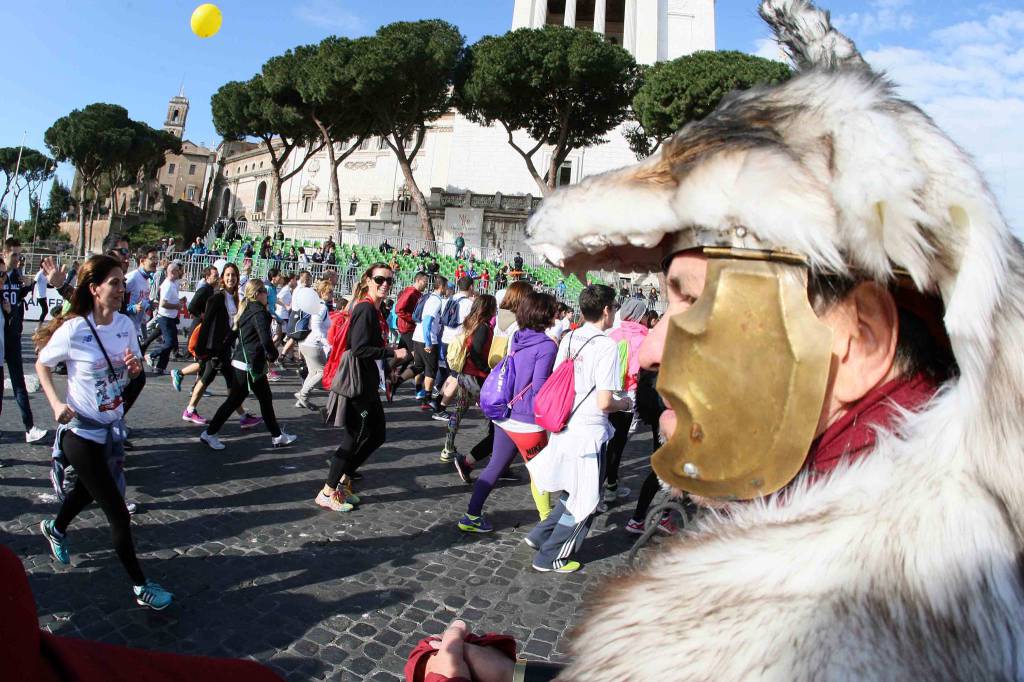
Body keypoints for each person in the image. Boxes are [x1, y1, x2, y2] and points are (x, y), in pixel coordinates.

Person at [33, 255, 174, 610]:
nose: (121, 288)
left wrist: (135, 367)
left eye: (122, 282)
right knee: (118, 513)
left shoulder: (126, 325)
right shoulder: (74, 329)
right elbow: (42, 364)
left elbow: (134, 372)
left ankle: (56, 528)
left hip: (110, 428)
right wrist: (54, 405)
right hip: (79, 432)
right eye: (114, 282)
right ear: (94, 289)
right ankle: (141, 586)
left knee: (84, 492)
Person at [517, 285, 625, 573]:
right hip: (589, 433)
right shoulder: (606, 346)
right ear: (606, 310)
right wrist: (625, 402)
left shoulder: (570, 336)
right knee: (586, 499)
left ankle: (540, 535)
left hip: (564, 425)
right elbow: (605, 401)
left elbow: (558, 378)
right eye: (614, 308)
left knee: (573, 489)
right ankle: (551, 555)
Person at [456, 291, 558, 533]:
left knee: (495, 466)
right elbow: (541, 386)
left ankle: (471, 515)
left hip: (506, 414)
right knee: (540, 472)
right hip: (527, 420)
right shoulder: (546, 345)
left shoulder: (519, 336)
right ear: (545, 314)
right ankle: (547, 525)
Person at [316, 263, 407, 511]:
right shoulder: (365, 309)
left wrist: (388, 367)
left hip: (368, 383)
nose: (385, 284)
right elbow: (359, 348)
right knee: (352, 437)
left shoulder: (374, 311)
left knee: (377, 435)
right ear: (368, 280)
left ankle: (344, 480)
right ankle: (327, 490)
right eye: (380, 279)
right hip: (357, 385)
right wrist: (393, 353)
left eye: (389, 280)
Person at [199, 280, 297, 450]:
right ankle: (209, 433)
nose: (267, 295)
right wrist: (273, 355)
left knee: (261, 400)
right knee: (243, 401)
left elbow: (232, 334)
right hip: (250, 365)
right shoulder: (259, 312)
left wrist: (221, 351)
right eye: (265, 292)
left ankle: (277, 436)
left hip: (244, 362)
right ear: (258, 293)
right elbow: (264, 338)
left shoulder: (246, 310)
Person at [182, 263, 261, 429]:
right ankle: (241, 416)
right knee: (231, 382)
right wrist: (202, 350)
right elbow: (207, 324)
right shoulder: (217, 297)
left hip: (224, 346)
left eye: (233, 275)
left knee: (208, 378)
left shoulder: (234, 297)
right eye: (227, 275)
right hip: (215, 348)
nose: (231, 278)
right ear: (222, 278)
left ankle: (190, 410)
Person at [437, 294, 497, 479]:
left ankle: (448, 447)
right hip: (477, 377)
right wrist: (486, 369)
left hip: (465, 374)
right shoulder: (484, 327)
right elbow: (477, 350)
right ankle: (493, 450)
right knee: (492, 417)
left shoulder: (470, 323)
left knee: (459, 411)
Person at [601, 298, 649, 509]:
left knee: (607, 443)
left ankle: (611, 485)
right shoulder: (643, 338)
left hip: (607, 393)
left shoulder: (613, 334)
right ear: (639, 315)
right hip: (628, 397)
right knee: (616, 445)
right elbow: (639, 373)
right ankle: (601, 491)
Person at [0, 238, 48, 443]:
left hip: (13, 337)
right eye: (14, 255)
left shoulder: (17, 277)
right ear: (4, 253)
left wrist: (28, 287)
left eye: (20, 255)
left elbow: (17, 301)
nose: (18, 259)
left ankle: (29, 427)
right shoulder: (2, 275)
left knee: (19, 383)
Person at [432, 276, 475, 424]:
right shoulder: (468, 304)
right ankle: (441, 408)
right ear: (470, 287)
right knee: (457, 376)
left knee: (452, 374)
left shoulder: (450, 299)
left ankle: (438, 401)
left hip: (445, 339)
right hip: (458, 342)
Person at [171, 265, 221, 392]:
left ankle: (196, 387)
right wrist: (202, 315)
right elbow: (191, 306)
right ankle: (180, 374)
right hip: (199, 329)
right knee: (203, 361)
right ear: (207, 277)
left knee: (203, 360)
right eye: (215, 276)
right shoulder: (204, 290)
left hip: (204, 328)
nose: (218, 278)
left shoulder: (210, 290)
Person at [294, 279, 334, 410]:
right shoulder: (321, 307)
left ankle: (301, 399)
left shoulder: (317, 305)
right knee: (322, 372)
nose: (332, 294)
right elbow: (316, 326)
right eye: (330, 292)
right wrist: (326, 343)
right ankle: (303, 395)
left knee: (313, 372)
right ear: (322, 292)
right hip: (313, 344)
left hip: (306, 343)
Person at [410, 276, 447, 411]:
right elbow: (427, 322)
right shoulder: (436, 301)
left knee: (418, 366)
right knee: (431, 370)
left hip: (417, 335)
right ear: (441, 287)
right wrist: (428, 343)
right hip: (428, 338)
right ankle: (426, 399)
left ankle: (418, 391)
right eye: (446, 286)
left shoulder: (427, 297)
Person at [392, 272, 428, 396]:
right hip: (408, 329)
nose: (426, 284)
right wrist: (414, 319)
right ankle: (417, 389)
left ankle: (391, 376)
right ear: (418, 280)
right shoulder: (410, 292)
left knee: (402, 356)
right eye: (425, 282)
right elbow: (398, 309)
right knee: (418, 358)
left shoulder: (418, 294)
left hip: (410, 329)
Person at [146, 260, 184, 376]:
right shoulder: (167, 285)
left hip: (170, 317)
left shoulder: (172, 283)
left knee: (170, 343)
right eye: (178, 271)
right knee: (169, 343)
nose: (180, 273)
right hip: (165, 317)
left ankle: (160, 367)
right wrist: (177, 306)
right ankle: (151, 355)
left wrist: (179, 302)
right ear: (172, 272)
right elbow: (163, 303)